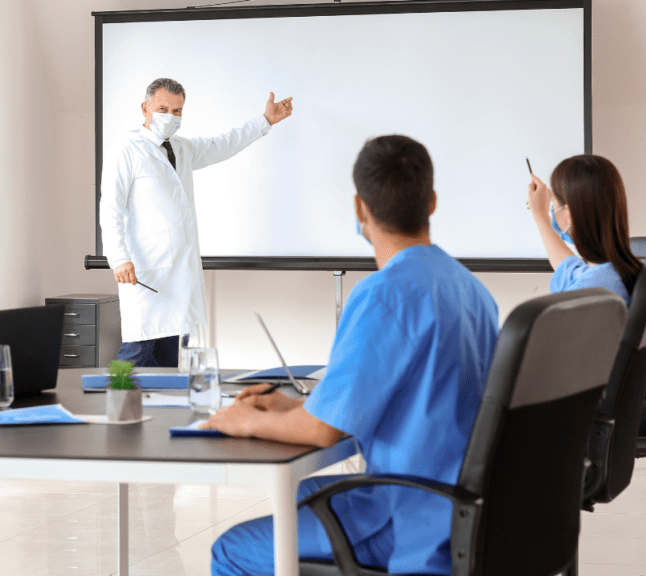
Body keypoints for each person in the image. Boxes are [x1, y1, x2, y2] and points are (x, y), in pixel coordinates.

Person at [206, 135, 499, 575]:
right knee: (301, 494)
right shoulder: (472, 290)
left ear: (360, 209)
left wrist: (246, 420)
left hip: (409, 512)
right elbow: (414, 397)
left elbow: (323, 433)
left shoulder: (382, 295)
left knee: (232, 550)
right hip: (467, 501)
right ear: (432, 202)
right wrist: (300, 406)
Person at [100, 78, 294, 367]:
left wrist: (265, 120)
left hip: (179, 279)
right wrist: (118, 258)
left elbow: (224, 144)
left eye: (177, 111)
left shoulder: (182, 148)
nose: (171, 116)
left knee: (170, 364)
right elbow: (111, 208)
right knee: (135, 357)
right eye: (163, 108)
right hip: (146, 275)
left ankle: (161, 412)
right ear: (145, 108)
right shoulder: (128, 150)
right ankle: (116, 405)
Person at [527, 154, 641, 305]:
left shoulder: (586, 296)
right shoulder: (627, 272)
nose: (552, 207)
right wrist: (540, 215)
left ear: (569, 214)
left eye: (553, 200)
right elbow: (570, 270)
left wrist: (540, 213)